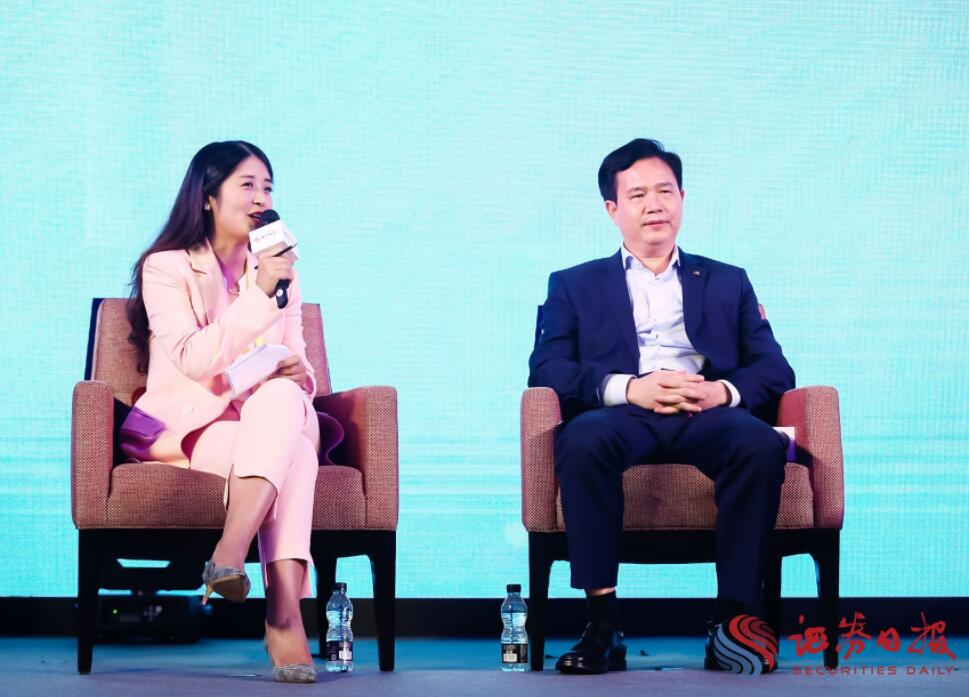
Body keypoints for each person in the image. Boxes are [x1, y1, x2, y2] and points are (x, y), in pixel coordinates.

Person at [528, 138, 795, 675]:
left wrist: (719, 391)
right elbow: (547, 369)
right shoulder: (573, 284)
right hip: (622, 414)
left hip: (706, 413)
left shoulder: (728, 280)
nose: (655, 205)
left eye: (665, 191)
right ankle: (602, 623)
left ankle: (732, 624)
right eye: (638, 195)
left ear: (682, 199)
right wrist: (630, 388)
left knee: (759, 444)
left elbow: (775, 369)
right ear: (613, 209)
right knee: (582, 440)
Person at [121, 141, 342, 683]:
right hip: (195, 427)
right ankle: (284, 620)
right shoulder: (166, 267)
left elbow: (301, 364)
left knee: (283, 399)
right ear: (207, 196)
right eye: (247, 185)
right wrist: (259, 295)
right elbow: (194, 358)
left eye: (268, 187)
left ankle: (229, 553)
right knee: (296, 458)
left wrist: (294, 370)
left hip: (270, 415)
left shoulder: (280, 271)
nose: (261, 198)